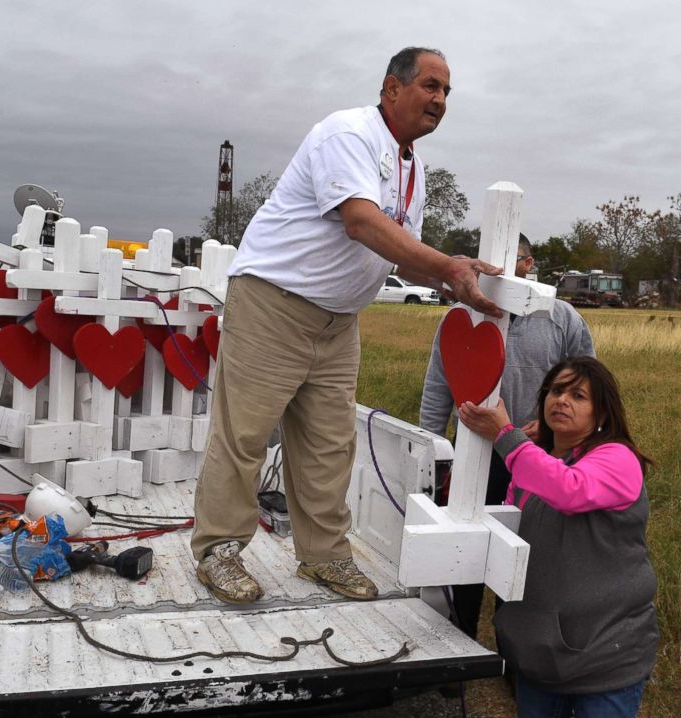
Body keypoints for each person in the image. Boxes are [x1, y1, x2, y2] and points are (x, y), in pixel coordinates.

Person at [191, 47, 505, 604]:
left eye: (447, 92)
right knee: (245, 435)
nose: (439, 100)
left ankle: (324, 557)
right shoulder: (347, 134)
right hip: (273, 303)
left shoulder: (412, 166)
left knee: (330, 443)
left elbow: (395, 253)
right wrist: (446, 264)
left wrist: (448, 281)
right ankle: (219, 551)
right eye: (430, 86)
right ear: (391, 89)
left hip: (337, 321)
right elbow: (361, 222)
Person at [458, 356, 657, 717]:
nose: (561, 400)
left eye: (578, 395)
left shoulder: (618, 458)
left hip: (605, 656)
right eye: (556, 390)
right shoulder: (537, 462)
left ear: (602, 415)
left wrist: (507, 437)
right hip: (540, 656)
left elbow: (570, 490)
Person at [420, 233, 595, 638]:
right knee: (465, 545)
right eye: (485, 261)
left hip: (537, 457)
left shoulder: (561, 317)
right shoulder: (460, 317)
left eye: (508, 259)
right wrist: (431, 451)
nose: (494, 269)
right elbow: (437, 387)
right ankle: (458, 643)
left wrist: (551, 430)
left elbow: (589, 384)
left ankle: (515, 652)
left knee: (523, 552)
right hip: (473, 455)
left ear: (528, 264)